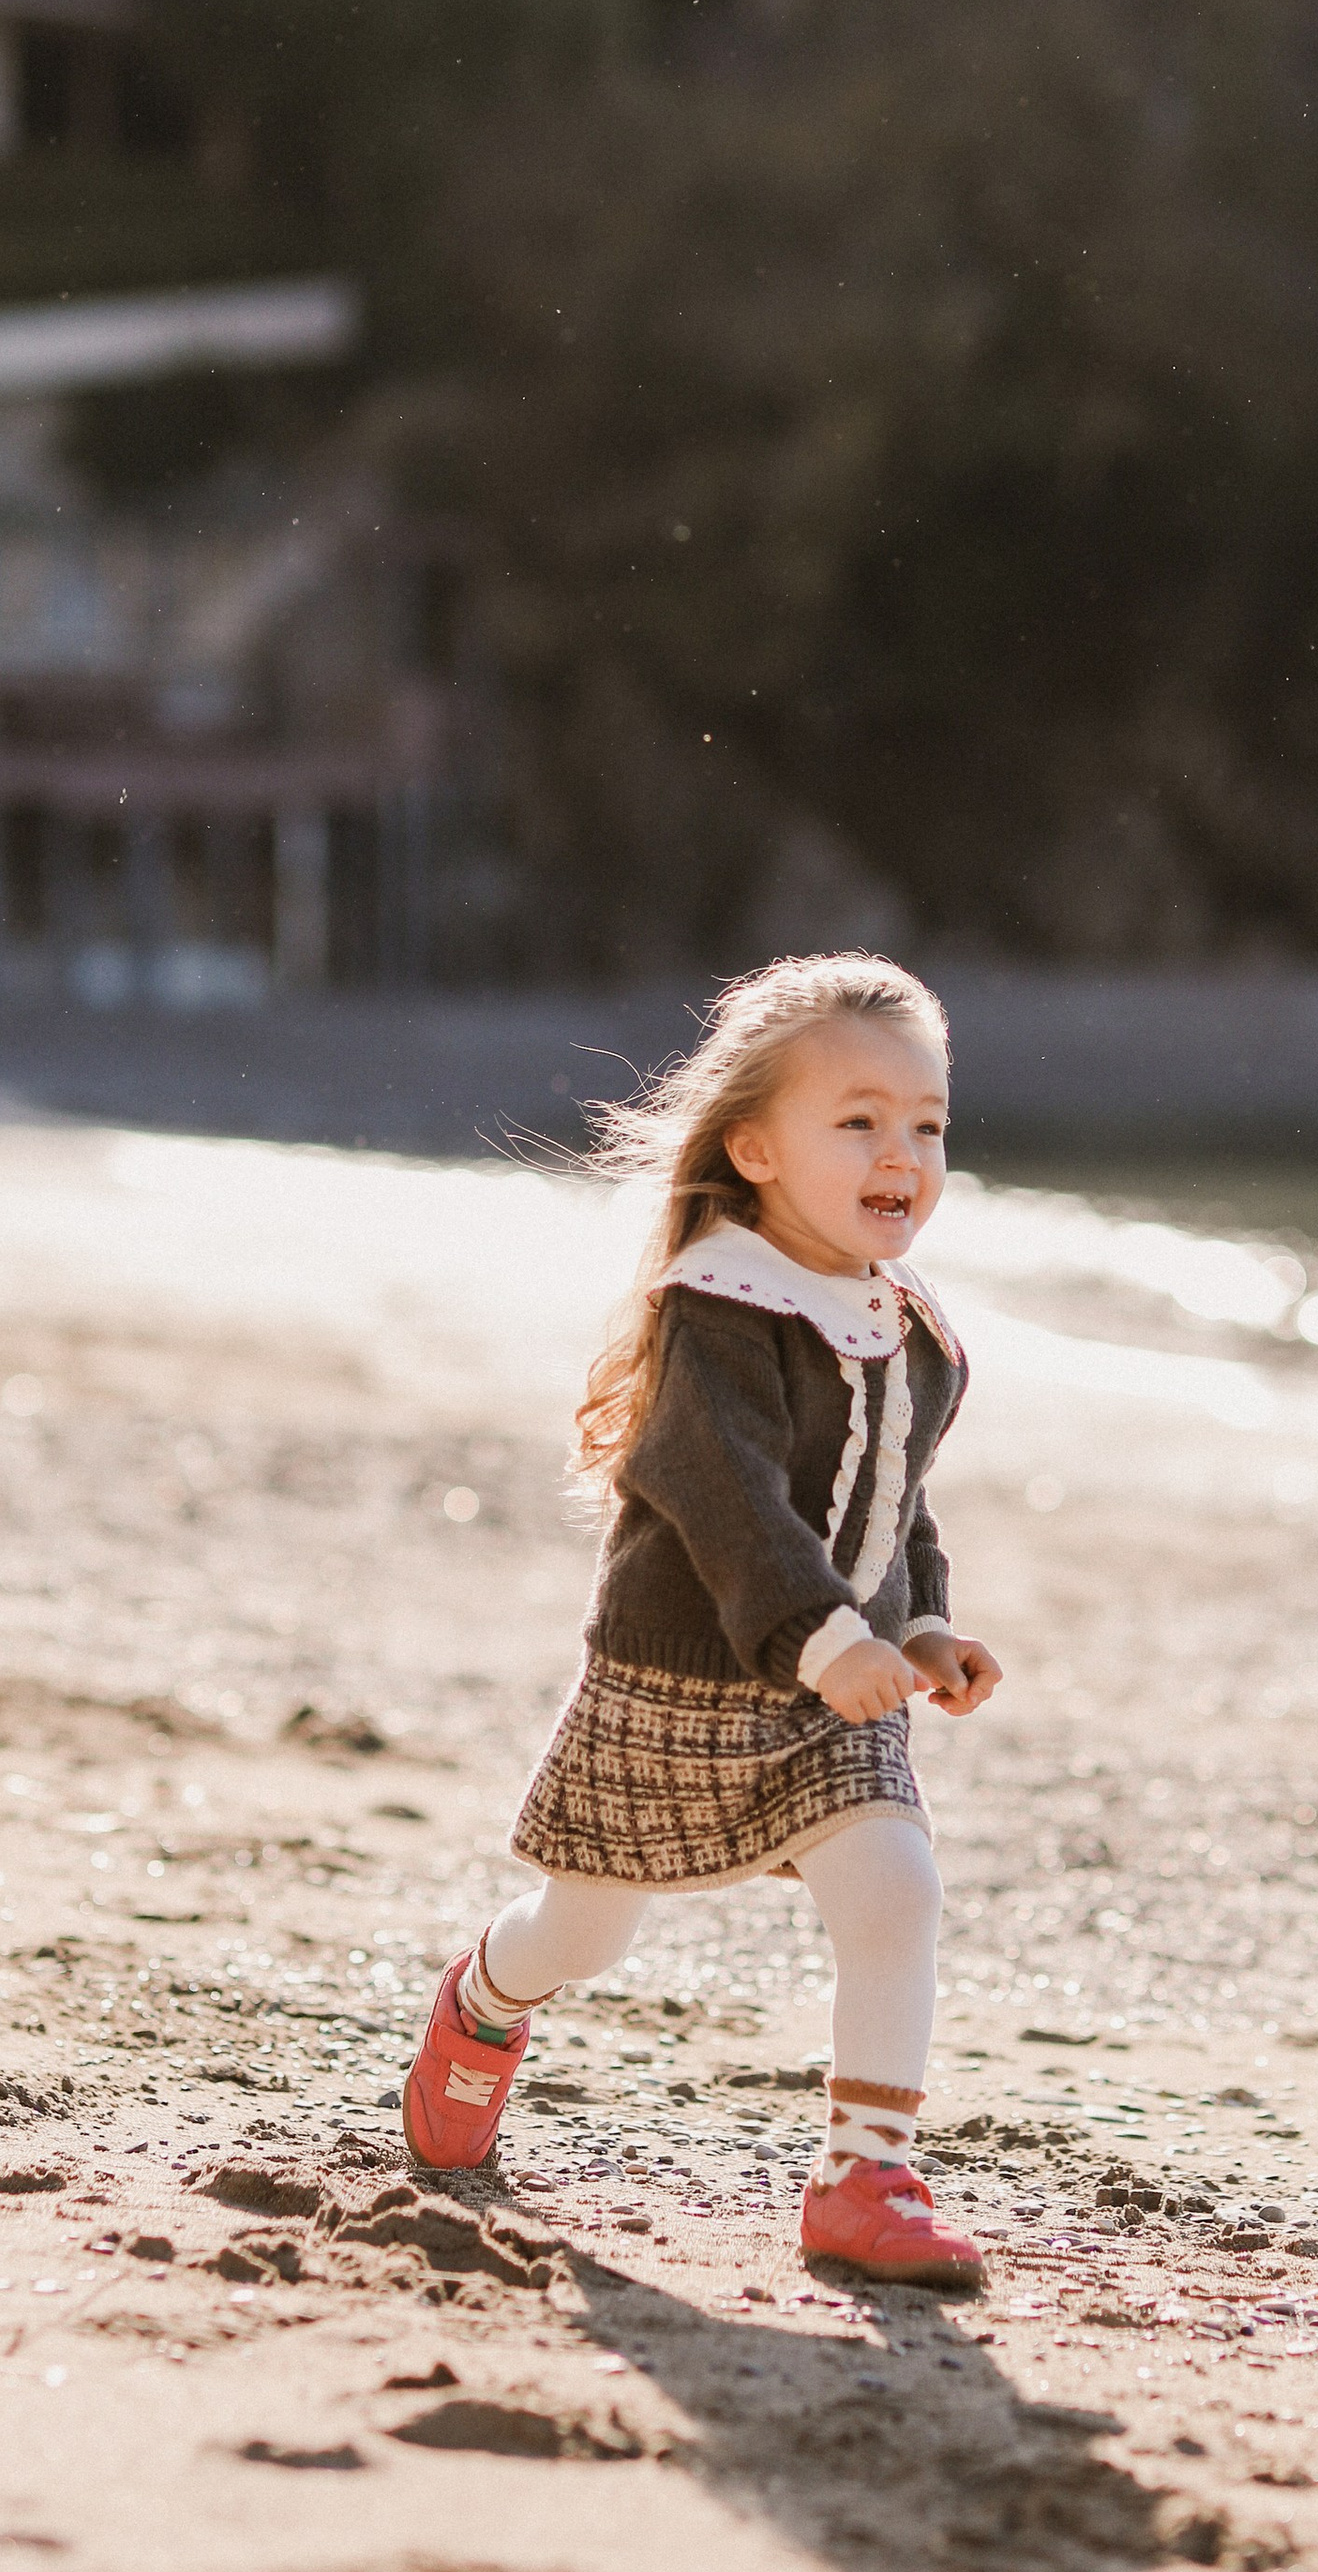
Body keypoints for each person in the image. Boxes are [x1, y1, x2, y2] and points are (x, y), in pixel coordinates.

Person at [399, 952, 1003, 2286]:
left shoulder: (908, 1328)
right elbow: (725, 1500)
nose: (901, 1150)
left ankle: (864, 2176)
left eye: (927, 1123)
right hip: (682, 1679)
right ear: (756, 1148)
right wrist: (826, 1635)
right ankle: (485, 2004)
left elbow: (894, 1501)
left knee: (895, 1886)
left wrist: (916, 1632)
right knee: (585, 1930)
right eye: (857, 1120)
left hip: (828, 1687)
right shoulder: (720, 1311)